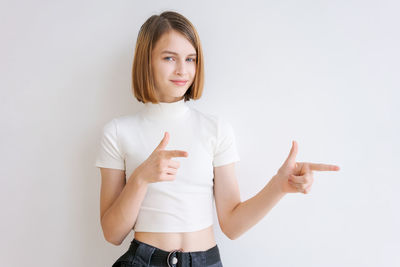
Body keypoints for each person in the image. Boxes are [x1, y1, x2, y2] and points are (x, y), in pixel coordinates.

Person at [94, 11, 340, 267]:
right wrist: (140, 178)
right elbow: (112, 234)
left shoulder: (215, 129)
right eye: (169, 58)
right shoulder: (117, 132)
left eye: (191, 59)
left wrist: (280, 185)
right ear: (147, 61)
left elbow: (232, 225)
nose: (182, 70)